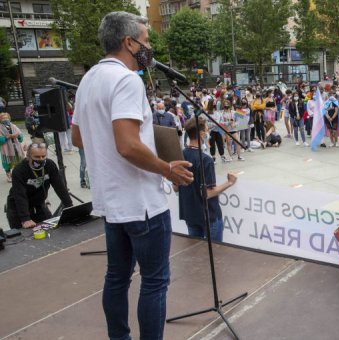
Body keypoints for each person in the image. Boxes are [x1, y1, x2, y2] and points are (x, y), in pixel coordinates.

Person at [71, 12, 193, 340]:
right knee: (154, 282)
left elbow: (78, 138)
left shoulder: (89, 79)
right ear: (129, 42)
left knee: (117, 278)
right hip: (141, 203)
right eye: (146, 40)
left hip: (111, 203)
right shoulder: (127, 79)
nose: (149, 46)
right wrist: (167, 168)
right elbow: (127, 146)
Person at [176, 116, 236, 240]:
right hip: (209, 216)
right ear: (202, 134)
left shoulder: (181, 155)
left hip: (190, 214)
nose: (208, 133)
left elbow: (176, 187)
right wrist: (229, 182)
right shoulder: (205, 160)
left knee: (196, 253)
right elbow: (208, 193)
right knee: (215, 254)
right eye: (207, 130)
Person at [6, 142, 73, 229]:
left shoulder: (50, 165)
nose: (41, 159)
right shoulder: (19, 170)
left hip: (38, 204)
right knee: (23, 236)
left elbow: (60, 187)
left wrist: (69, 206)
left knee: (51, 228)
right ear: (28, 156)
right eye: (37, 157)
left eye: (43, 156)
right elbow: (20, 195)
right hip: (18, 208)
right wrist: (25, 218)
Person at [0, 112, 25, 182]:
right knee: (7, 163)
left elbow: (21, 137)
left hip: (16, 148)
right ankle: (9, 175)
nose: (5, 119)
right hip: (6, 150)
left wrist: (18, 136)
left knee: (18, 162)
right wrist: (8, 136)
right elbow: (0, 140)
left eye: (6, 118)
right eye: (3, 118)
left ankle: (17, 175)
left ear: (9, 118)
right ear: (0, 119)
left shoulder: (13, 126)